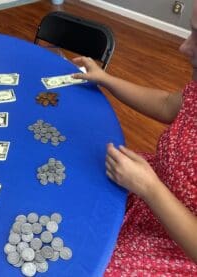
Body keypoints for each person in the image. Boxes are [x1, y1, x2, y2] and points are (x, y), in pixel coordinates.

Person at [72, 1, 197, 275]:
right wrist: (106, 79)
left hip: (173, 242)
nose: (184, 47)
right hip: (150, 187)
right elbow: (166, 103)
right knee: (76, 184)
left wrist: (150, 188)